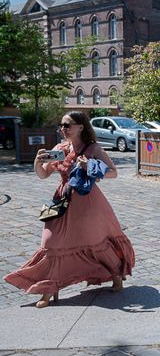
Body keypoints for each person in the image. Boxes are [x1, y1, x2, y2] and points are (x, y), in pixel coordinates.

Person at [4, 111, 135, 308]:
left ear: (80, 127)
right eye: (62, 125)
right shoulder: (59, 148)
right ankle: (48, 289)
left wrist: (89, 165)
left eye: (67, 125)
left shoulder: (93, 148)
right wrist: (37, 162)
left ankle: (115, 275)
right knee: (51, 243)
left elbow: (113, 173)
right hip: (61, 199)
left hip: (88, 201)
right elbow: (43, 175)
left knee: (95, 242)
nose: (63, 129)